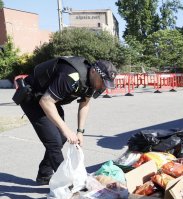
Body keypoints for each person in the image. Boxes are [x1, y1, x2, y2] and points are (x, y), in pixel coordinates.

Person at [17, 56, 117, 185]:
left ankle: (44, 174)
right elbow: (45, 102)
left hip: (49, 99)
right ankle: (67, 185)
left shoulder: (92, 82)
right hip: (33, 98)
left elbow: (84, 104)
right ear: (93, 71)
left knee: (62, 138)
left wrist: (80, 131)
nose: (103, 86)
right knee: (54, 142)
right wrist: (66, 130)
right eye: (103, 81)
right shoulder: (71, 75)